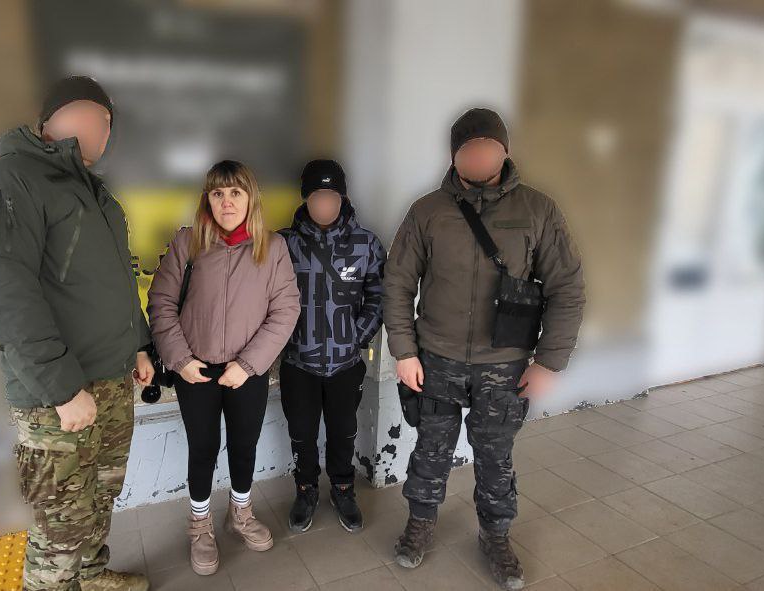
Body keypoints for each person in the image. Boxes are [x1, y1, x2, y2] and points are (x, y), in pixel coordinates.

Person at [0, 75, 154, 591]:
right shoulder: (10, 179)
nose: (101, 130)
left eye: (107, 122)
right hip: (58, 397)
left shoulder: (95, 193)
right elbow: (2, 293)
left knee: (100, 495)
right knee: (60, 522)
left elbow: (117, 279)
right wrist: (61, 389)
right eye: (90, 115)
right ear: (53, 119)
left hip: (110, 380)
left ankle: (91, 576)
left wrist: (138, 344)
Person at [383, 107, 586, 590]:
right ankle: (420, 524)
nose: (478, 156)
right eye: (468, 149)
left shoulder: (538, 210)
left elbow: (567, 289)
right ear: (455, 155)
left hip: (505, 364)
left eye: (487, 147)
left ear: (504, 151)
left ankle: (496, 536)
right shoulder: (427, 211)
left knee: (496, 456)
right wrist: (404, 351)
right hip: (436, 357)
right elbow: (397, 282)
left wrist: (549, 362)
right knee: (430, 450)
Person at [147, 160, 300, 576]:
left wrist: (247, 366)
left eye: (235, 192)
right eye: (217, 193)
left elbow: (286, 310)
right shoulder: (187, 243)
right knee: (203, 448)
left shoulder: (272, 248)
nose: (226, 202)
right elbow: (161, 303)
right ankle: (200, 525)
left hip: (246, 372)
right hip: (195, 371)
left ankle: (241, 513)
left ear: (251, 198)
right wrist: (181, 360)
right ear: (207, 200)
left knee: (244, 444)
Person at [277, 159, 385, 533]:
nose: (324, 204)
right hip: (298, 363)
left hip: (345, 364)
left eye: (332, 196)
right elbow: (265, 299)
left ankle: (342, 488)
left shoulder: (366, 244)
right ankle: (305, 489)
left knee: (343, 431)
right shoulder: (283, 244)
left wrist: (356, 337)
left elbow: (379, 296)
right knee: (302, 432)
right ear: (305, 199)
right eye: (317, 197)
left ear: (343, 198)